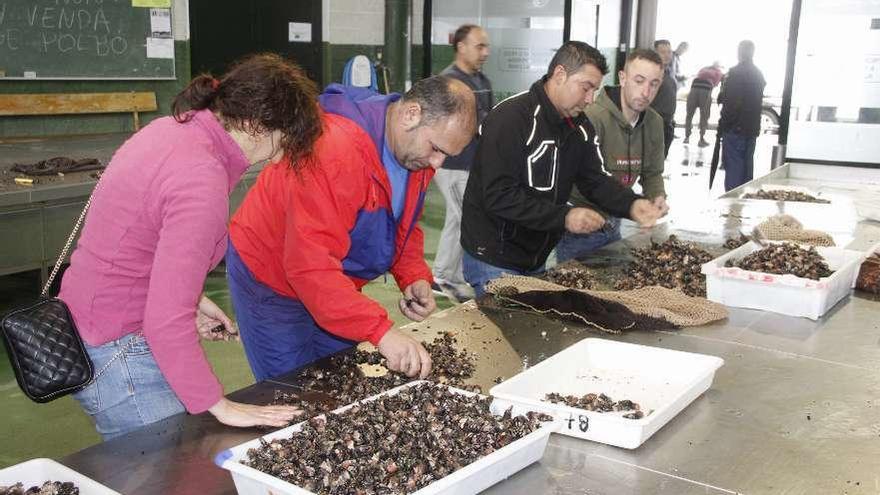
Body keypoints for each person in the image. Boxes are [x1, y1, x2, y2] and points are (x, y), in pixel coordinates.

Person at [58, 53, 324, 440]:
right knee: (165, 470)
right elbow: (165, 320)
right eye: (283, 138)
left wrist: (191, 298)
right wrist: (219, 404)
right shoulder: (201, 180)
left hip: (93, 319)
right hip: (121, 351)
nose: (281, 154)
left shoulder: (170, 131)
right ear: (254, 125)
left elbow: (136, 240)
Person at [226, 75, 475, 382]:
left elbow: (402, 222)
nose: (437, 164)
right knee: (292, 392)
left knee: (337, 381)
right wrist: (381, 332)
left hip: (334, 281)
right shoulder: (333, 151)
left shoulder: (414, 155)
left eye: (445, 155)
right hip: (272, 278)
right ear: (411, 114)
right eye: (436, 148)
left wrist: (412, 275)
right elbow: (310, 268)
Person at [460, 41, 664, 297]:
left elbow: (595, 179)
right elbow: (498, 195)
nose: (590, 99)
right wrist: (564, 217)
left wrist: (632, 205)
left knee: (528, 331)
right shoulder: (510, 119)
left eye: (595, 90)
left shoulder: (579, 127)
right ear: (559, 75)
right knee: (508, 333)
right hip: (493, 258)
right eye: (586, 88)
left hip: (535, 258)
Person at [556, 48, 669, 263]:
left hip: (617, 220)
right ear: (623, 78)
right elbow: (582, 179)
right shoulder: (590, 118)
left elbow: (653, 173)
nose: (646, 92)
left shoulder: (654, 123)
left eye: (654, 84)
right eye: (639, 80)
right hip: (581, 228)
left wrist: (657, 197)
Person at [432, 24, 493, 303]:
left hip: (474, 165)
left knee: (458, 219)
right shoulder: (448, 83)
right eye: (480, 46)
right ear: (461, 47)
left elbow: (487, 121)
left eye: (486, 46)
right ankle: (444, 276)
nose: (485, 52)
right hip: (452, 165)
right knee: (464, 219)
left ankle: (445, 274)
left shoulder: (482, 81)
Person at [718, 40, 766, 191]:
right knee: (746, 170)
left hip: (735, 128)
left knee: (734, 169)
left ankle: (732, 208)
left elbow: (732, 103)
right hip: (751, 128)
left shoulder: (735, 73)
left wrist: (724, 124)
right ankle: (743, 203)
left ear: (739, 52)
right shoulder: (758, 74)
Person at [685, 61, 724, 147]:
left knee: (689, 114)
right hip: (705, 90)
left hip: (694, 87)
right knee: (704, 115)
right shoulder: (718, 72)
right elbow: (716, 84)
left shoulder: (703, 69)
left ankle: (687, 137)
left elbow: (698, 75)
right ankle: (701, 139)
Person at [651, 39, 678, 156]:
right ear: (655, 54)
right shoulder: (651, 73)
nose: (667, 55)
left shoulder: (668, 72)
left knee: (660, 160)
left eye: (669, 52)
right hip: (655, 124)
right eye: (663, 52)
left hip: (667, 122)